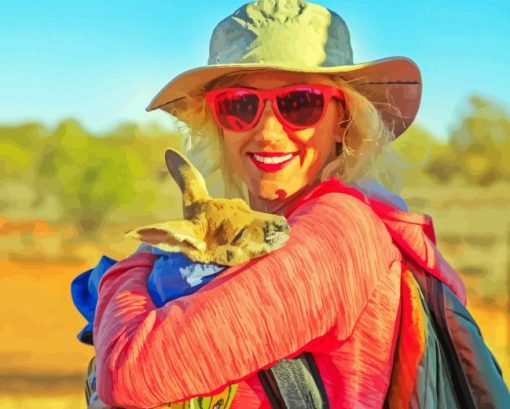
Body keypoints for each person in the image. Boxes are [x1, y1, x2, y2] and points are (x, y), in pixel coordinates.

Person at [90, 1, 509, 408]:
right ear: (216, 124)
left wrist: (129, 269)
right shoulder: (286, 226)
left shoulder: (337, 233)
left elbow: (129, 372)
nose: (269, 133)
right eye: (240, 106)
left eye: (300, 104)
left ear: (343, 120)